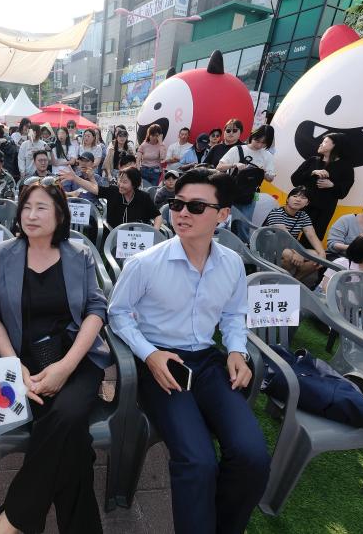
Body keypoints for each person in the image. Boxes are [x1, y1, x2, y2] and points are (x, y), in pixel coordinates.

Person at [108, 168, 271, 534]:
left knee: (252, 456)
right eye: (177, 204)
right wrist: (149, 354)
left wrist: (236, 350)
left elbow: (234, 315)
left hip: (208, 362)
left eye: (196, 206)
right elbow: (118, 314)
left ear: (223, 214)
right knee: (197, 462)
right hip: (162, 362)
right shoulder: (145, 263)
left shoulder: (231, 263)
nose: (182, 213)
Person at [0, 179, 109, 534]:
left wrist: (66, 367)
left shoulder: (78, 254)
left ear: (60, 215)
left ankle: (11, 519)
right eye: (26, 207)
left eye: (41, 208)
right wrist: (13, 365)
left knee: (66, 414)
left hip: (76, 358)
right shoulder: (3, 253)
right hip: (24, 360)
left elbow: (96, 309)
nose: (31, 215)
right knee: (74, 441)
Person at [290, 132, 355, 240]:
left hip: (322, 211)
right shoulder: (312, 160)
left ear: (335, 145)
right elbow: (295, 180)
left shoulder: (346, 167)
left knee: (311, 240)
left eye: (325, 142)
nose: (320, 144)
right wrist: (312, 172)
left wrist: (332, 185)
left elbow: (343, 193)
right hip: (301, 205)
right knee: (289, 233)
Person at [60, 166, 161, 230]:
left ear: (134, 184)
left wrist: (154, 232)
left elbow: (157, 216)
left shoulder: (143, 197)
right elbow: (93, 188)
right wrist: (75, 178)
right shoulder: (114, 191)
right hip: (113, 234)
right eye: (119, 180)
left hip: (136, 237)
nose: (120, 185)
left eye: (125, 182)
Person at [216, 124, 277, 230]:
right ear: (252, 136)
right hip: (229, 193)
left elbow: (270, 179)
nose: (259, 145)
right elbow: (219, 167)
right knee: (223, 225)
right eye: (257, 141)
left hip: (249, 196)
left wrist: (263, 173)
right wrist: (234, 164)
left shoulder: (267, 156)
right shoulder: (237, 149)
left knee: (243, 226)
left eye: (263, 143)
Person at [262, 186, 327, 280]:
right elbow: (284, 236)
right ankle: (280, 280)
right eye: (295, 196)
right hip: (269, 247)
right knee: (289, 254)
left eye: (303, 198)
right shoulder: (276, 212)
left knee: (317, 256)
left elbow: (311, 235)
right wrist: (298, 252)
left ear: (307, 203)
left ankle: (294, 280)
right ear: (288, 199)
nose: (298, 200)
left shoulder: (303, 216)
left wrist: (322, 254)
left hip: (290, 247)